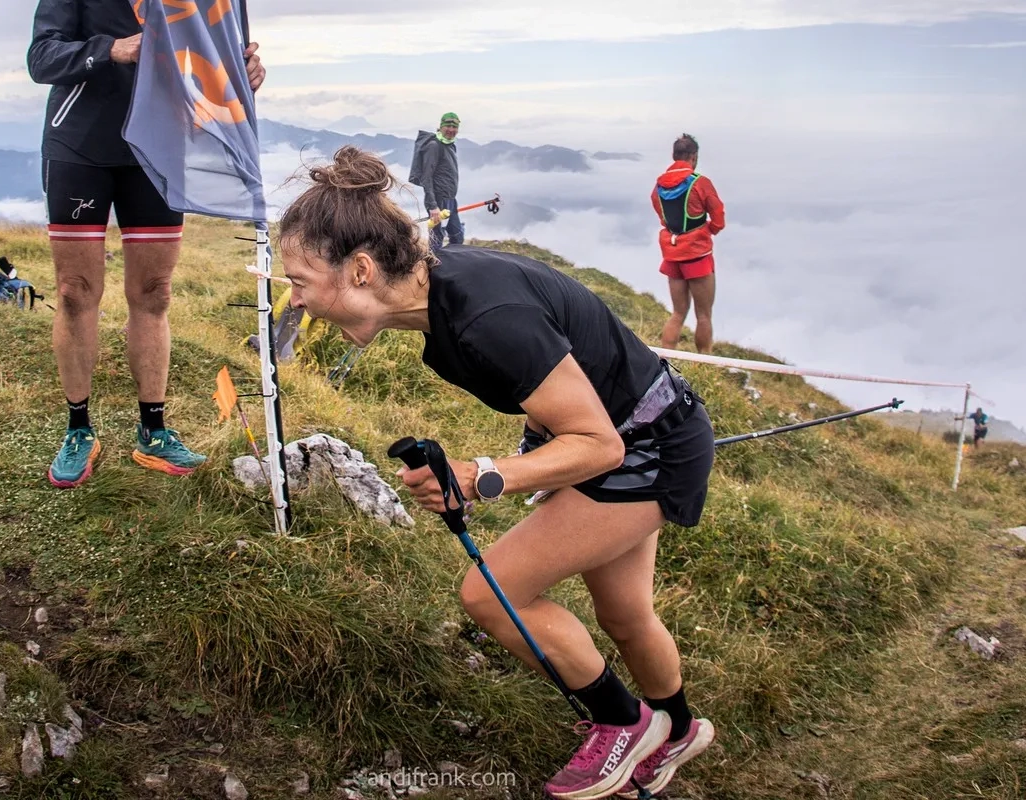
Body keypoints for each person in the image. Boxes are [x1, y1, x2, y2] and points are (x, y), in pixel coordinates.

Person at [278, 146, 718, 799]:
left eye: (300, 280)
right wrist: (526, 455)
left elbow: (599, 446)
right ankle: (677, 731)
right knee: (625, 615)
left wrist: (483, 475)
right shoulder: (443, 305)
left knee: (491, 593)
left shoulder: (484, 319)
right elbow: (560, 382)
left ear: (361, 270)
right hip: (643, 428)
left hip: (649, 450)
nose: (296, 300)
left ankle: (625, 724)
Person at [27, 0, 266, 488]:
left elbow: (211, 54)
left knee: (154, 292)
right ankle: (78, 430)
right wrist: (111, 50)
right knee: (74, 291)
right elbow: (42, 58)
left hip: (160, 146)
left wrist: (242, 73)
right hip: (80, 146)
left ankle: (153, 432)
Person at [651, 134, 725, 355]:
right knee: (703, 315)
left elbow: (663, 217)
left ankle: (665, 359)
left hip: (672, 253)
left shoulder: (659, 186)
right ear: (693, 157)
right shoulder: (700, 183)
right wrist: (709, 230)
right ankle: (704, 362)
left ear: (674, 155)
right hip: (697, 255)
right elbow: (718, 217)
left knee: (677, 313)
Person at [412, 112, 464, 252]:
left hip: (450, 199)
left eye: (454, 127)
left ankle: (451, 262)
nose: (451, 130)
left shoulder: (450, 145)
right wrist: (433, 206)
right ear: (441, 126)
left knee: (457, 236)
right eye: (448, 126)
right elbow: (426, 177)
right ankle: (433, 264)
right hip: (438, 200)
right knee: (436, 238)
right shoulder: (434, 146)